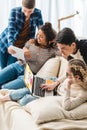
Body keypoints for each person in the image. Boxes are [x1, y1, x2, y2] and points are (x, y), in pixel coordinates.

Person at [0, 59, 87, 110]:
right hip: (53, 83)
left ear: (77, 77)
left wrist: (68, 87)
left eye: (68, 75)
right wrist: (54, 84)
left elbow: (67, 106)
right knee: (30, 88)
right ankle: (4, 98)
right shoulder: (73, 75)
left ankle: (14, 97)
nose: (66, 75)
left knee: (25, 101)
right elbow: (65, 75)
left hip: (55, 95)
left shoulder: (82, 94)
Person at [0, 22, 60, 91]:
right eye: (38, 35)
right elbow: (24, 48)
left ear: (49, 40)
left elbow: (61, 47)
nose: (38, 38)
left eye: (41, 36)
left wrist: (53, 40)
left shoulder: (52, 51)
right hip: (18, 66)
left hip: (27, 76)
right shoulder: (32, 42)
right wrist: (24, 50)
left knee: (4, 88)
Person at [0, 0, 43, 69]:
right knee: (3, 70)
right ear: (22, 6)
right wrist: (10, 45)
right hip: (5, 43)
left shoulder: (37, 13)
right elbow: (11, 30)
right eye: (25, 10)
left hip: (19, 48)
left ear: (34, 8)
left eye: (30, 11)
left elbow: (42, 30)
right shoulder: (14, 11)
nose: (27, 14)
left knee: (10, 69)